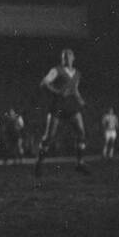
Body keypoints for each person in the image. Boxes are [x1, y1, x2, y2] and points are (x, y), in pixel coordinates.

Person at [35, 48, 90, 176]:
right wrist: (57, 92)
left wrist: (81, 101)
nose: (66, 58)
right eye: (64, 56)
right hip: (57, 105)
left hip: (71, 105)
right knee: (49, 136)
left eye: (69, 56)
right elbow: (44, 83)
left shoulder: (77, 73)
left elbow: (75, 89)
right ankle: (39, 163)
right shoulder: (56, 70)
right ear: (62, 58)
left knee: (81, 132)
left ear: (73, 58)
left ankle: (80, 163)